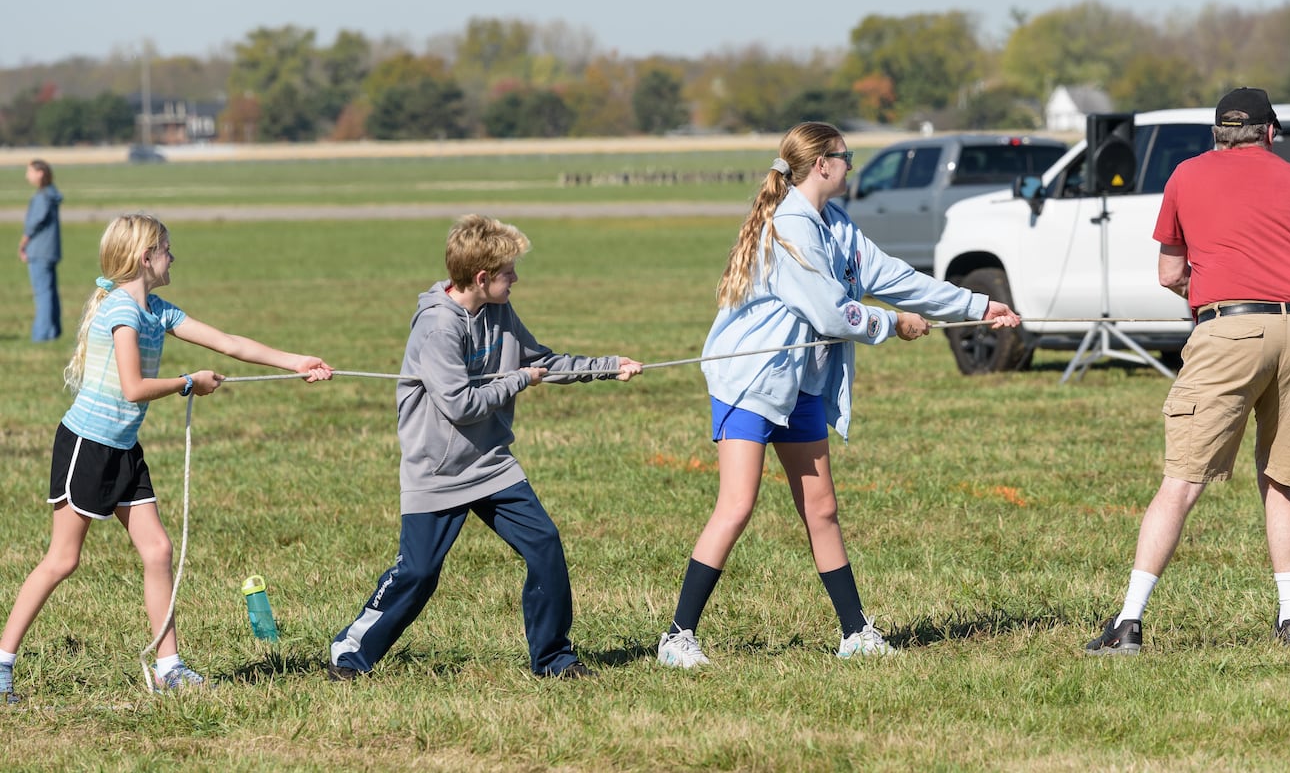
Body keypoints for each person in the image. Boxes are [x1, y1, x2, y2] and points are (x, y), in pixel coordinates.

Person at [656, 121, 1021, 668]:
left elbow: (893, 276)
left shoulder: (835, 223)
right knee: (737, 505)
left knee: (821, 508)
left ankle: (855, 632)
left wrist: (975, 306)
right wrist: (890, 326)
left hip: (800, 382)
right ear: (823, 164)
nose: (852, 164)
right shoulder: (790, 228)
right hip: (752, 382)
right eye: (847, 156)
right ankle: (677, 636)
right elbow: (829, 310)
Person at [1084, 89, 1290, 656]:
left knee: (1184, 478)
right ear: (1270, 133)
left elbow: (1170, 271)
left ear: (1217, 133)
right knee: (1282, 476)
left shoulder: (1185, 176)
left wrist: (1217, 293)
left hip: (1229, 328)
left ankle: (1129, 623)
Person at [0, 213, 333, 702]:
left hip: (124, 449)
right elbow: (134, 387)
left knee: (157, 551)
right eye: (167, 249)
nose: (173, 256)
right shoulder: (123, 311)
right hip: (88, 448)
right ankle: (3, 661)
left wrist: (297, 362)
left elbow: (229, 342)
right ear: (145, 257)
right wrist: (187, 383)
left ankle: (168, 667)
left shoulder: (159, 310)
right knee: (63, 559)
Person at [328, 215, 642, 681]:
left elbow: (541, 362)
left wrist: (607, 366)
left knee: (545, 546)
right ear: (481, 278)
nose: (515, 279)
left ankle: (554, 658)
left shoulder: (500, 314)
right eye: (508, 272)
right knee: (417, 574)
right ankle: (350, 651)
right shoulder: (437, 327)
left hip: (491, 464)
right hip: (437, 471)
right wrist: (520, 379)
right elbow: (460, 405)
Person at [19, 159, 63, 342]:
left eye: (29, 172)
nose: (26, 176)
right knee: (50, 292)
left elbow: (34, 223)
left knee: (42, 294)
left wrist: (23, 242)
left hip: (39, 250)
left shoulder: (42, 197)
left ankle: (41, 335)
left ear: (40, 173)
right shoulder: (52, 194)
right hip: (51, 250)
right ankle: (52, 331)